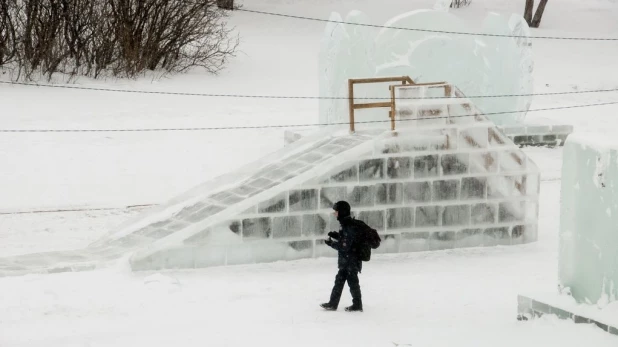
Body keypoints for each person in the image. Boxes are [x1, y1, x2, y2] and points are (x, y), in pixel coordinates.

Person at [320, 200, 363, 312]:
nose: (335, 213)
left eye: (336, 211)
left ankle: (357, 305)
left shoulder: (348, 226)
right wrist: (336, 235)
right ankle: (333, 303)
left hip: (351, 262)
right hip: (347, 262)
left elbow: (344, 246)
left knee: (353, 284)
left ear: (342, 212)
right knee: (339, 281)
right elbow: (346, 240)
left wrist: (331, 243)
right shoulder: (345, 224)